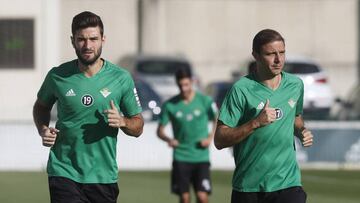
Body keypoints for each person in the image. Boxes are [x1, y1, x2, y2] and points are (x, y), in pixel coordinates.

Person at [33, 11, 144, 203]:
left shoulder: (121, 78)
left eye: (93, 39)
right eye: (81, 39)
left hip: (103, 176)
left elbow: (138, 126)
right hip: (64, 170)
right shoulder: (57, 76)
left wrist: (123, 121)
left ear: (103, 39)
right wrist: (43, 129)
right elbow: (41, 107)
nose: (87, 45)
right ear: (72, 41)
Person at [214, 29, 314, 203]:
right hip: (249, 187)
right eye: (270, 54)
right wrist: (255, 123)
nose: (278, 59)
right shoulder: (241, 89)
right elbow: (220, 139)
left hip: (288, 183)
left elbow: (295, 117)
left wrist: (302, 130)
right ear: (256, 55)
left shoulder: (295, 85)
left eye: (282, 53)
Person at [157, 68, 217, 203]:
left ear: (192, 82)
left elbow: (217, 119)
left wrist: (209, 138)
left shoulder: (205, 101)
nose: (183, 88)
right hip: (181, 156)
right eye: (180, 85)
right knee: (184, 198)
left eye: (186, 85)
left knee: (202, 196)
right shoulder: (170, 105)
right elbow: (159, 131)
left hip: (201, 156)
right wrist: (169, 139)